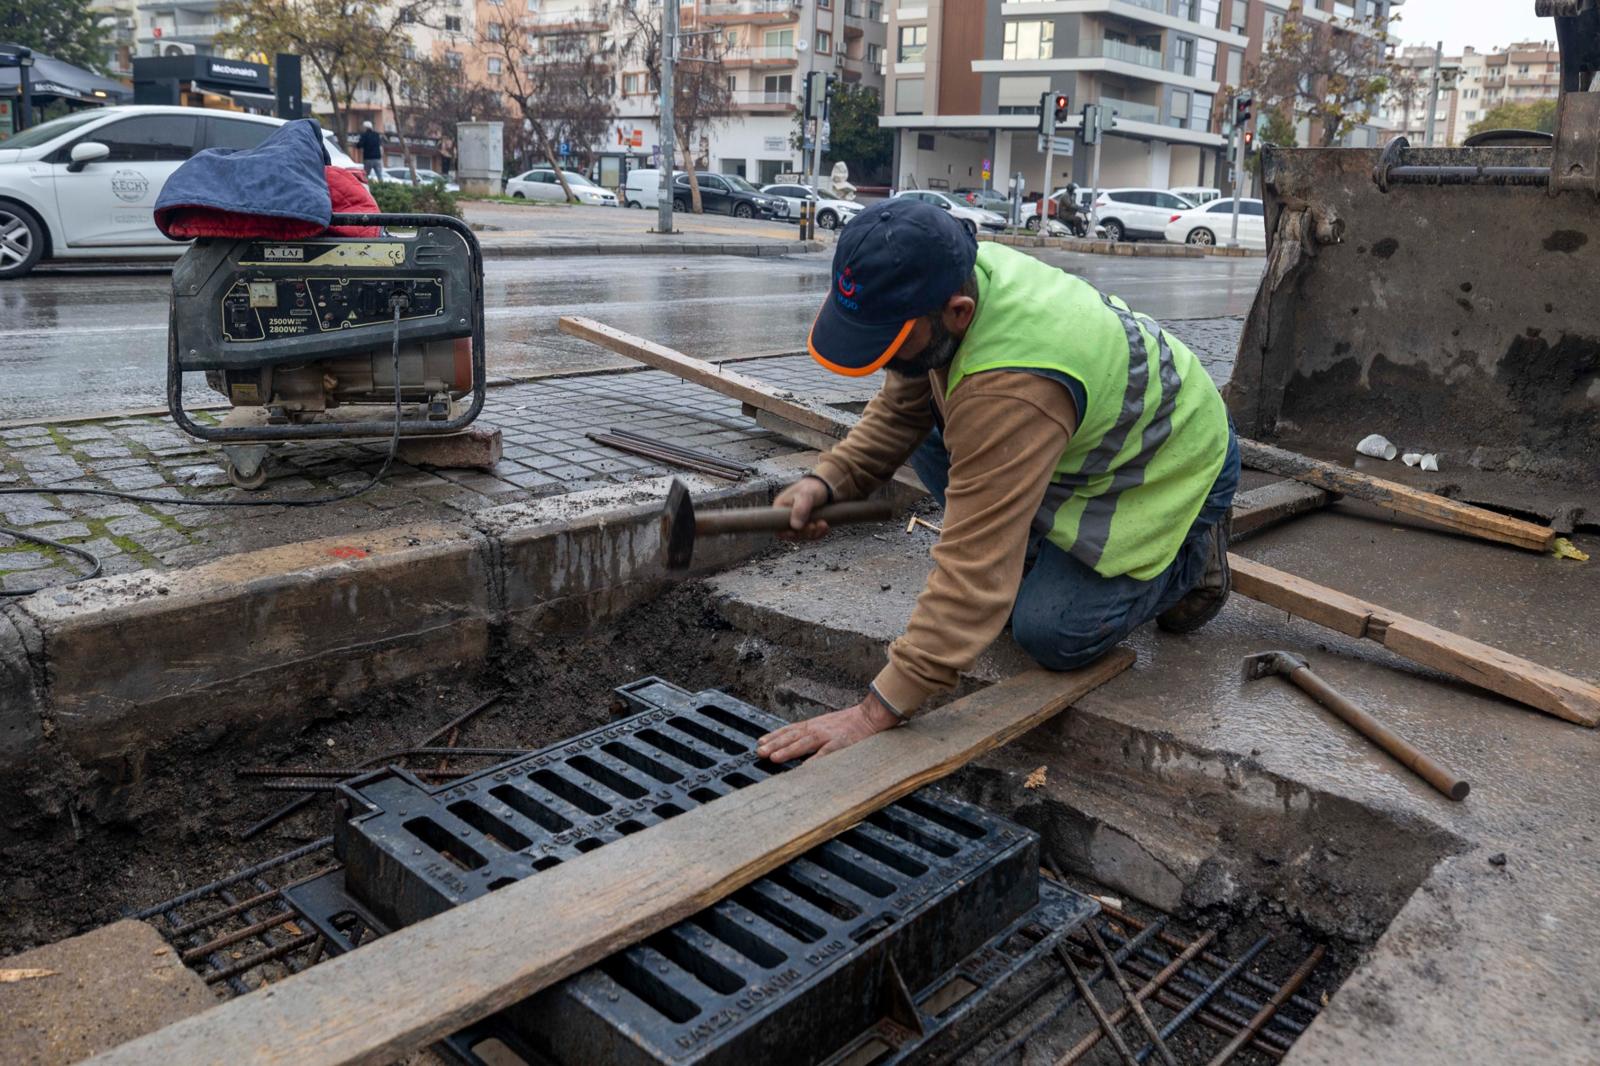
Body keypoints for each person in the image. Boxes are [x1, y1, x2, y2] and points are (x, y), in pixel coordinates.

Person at [755, 199, 1239, 763]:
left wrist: (875, 712)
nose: (882, 357)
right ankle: (1035, 555)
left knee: (1050, 633)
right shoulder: (956, 277)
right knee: (939, 427)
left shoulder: (1010, 383)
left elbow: (974, 566)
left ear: (958, 312)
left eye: (891, 339)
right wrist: (828, 481)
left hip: (1167, 467)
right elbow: (902, 409)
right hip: (1083, 443)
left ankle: (1193, 559)